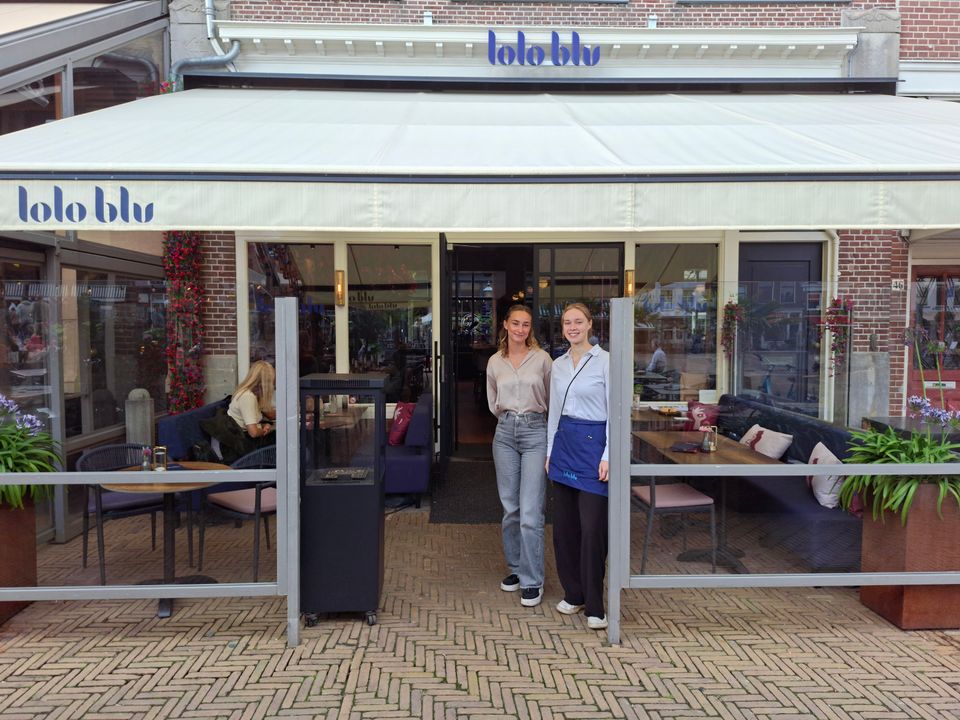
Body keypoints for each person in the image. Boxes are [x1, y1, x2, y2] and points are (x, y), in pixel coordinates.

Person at [545, 303, 611, 630]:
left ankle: (595, 604)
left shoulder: (606, 361)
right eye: (567, 322)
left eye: (578, 322)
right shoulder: (557, 365)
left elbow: (615, 412)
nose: (572, 327)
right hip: (564, 446)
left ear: (589, 325)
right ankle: (574, 593)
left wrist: (609, 454)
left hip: (594, 448)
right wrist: (549, 451)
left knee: (593, 529)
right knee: (564, 529)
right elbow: (554, 412)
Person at [486, 304, 552, 608]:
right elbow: (493, 401)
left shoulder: (542, 359)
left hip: (535, 432)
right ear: (506, 325)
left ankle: (532, 580)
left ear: (530, 328)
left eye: (526, 324)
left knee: (530, 511)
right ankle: (516, 568)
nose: (520, 329)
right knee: (510, 508)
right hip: (504, 433)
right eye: (516, 323)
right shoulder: (495, 362)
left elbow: (552, 399)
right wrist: (508, 418)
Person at [202, 360, 276, 464]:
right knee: (279, 440)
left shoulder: (252, 394)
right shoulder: (247, 397)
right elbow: (254, 433)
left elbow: (270, 415)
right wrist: (264, 429)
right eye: (272, 382)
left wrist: (265, 425)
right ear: (264, 383)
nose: (273, 385)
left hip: (241, 437)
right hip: (237, 445)